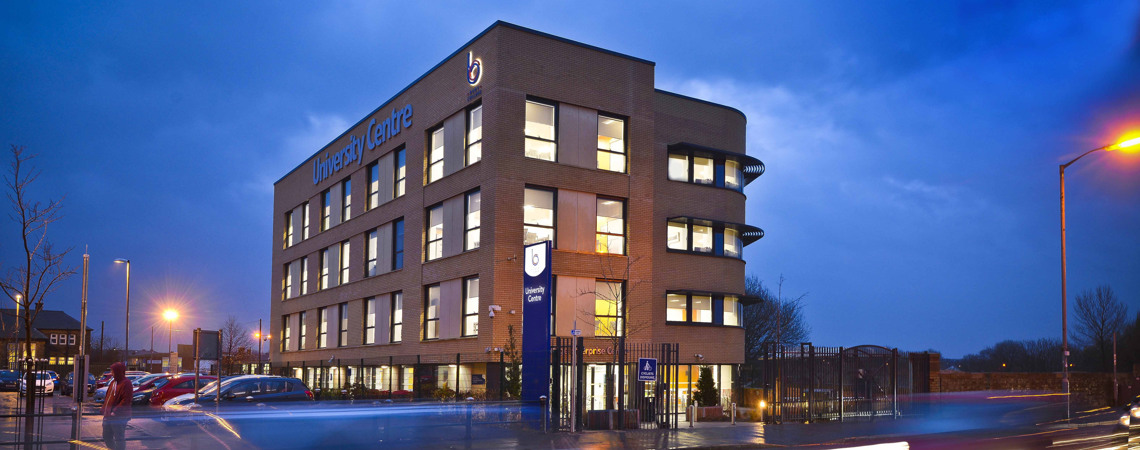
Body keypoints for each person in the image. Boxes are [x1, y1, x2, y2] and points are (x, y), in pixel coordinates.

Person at [101, 362, 132, 450]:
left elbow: (126, 400)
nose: (111, 373)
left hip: (119, 416)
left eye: (113, 371)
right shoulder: (113, 382)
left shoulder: (126, 383)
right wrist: (104, 409)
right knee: (106, 436)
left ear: (118, 371)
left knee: (119, 437)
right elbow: (108, 396)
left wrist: (115, 411)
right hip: (109, 415)